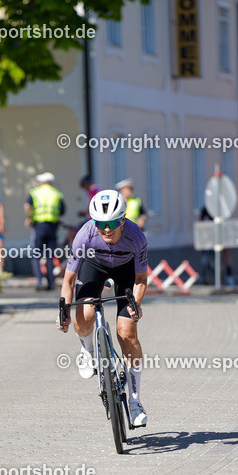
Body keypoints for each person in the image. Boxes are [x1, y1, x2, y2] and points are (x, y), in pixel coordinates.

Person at [57, 189, 149, 427]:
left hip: (125, 271)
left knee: (127, 333)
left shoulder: (136, 237)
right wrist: (64, 313)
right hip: (94, 266)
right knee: (85, 313)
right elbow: (68, 281)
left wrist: (135, 305)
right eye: (100, 223)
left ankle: (135, 401)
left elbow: (140, 279)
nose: (106, 229)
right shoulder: (84, 235)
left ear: (123, 220)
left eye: (113, 223)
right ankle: (87, 350)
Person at [25, 172, 65, 291]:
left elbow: (27, 206)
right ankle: (51, 282)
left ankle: (39, 281)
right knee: (49, 255)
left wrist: (29, 218)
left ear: (41, 182)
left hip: (39, 226)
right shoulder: (57, 193)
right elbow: (62, 210)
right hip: (52, 227)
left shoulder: (35, 192)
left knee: (37, 254)